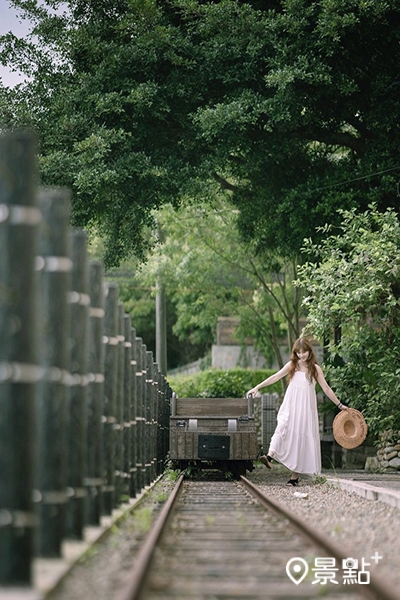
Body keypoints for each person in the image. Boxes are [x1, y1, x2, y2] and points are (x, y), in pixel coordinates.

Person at [247, 337, 348, 486]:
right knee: (282, 426)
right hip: (291, 405)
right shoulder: (292, 365)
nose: (301, 355)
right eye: (298, 352)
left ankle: (294, 477)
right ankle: (269, 456)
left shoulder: (315, 369)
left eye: (304, 352)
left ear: (309, 351)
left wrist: (340, 405)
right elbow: (275, 376)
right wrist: (257, 387)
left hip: (306, 409)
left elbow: (326, 388)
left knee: (301, 437)